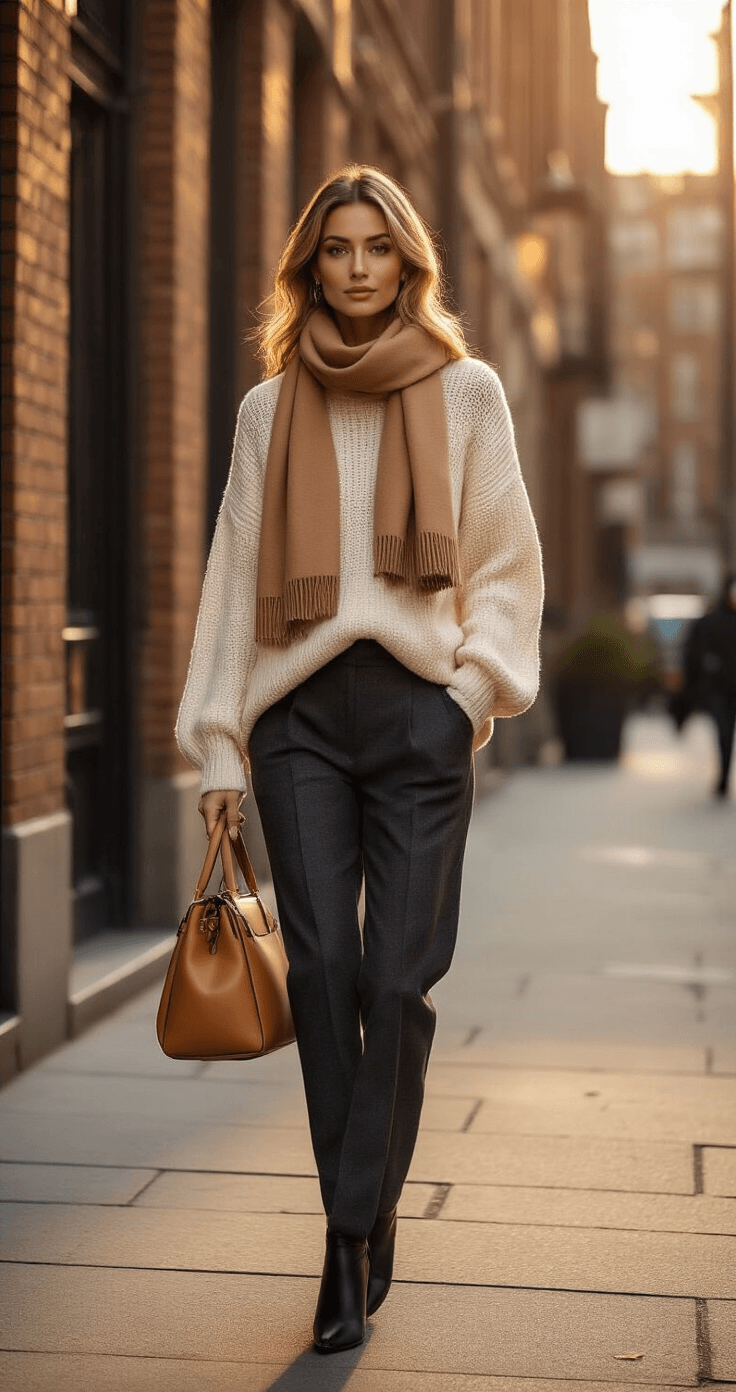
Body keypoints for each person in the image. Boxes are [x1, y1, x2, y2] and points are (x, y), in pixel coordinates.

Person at [176, 165, 544, 1353]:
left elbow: (502, 561)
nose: (356, 267)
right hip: (296, 722)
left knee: (397, 979)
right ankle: (349, 1241)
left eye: (376, 247)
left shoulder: (468, 392)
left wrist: (467, 697)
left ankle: (361, 1205)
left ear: (408, 263)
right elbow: (235, 581)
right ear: (310, 266)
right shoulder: (265, 409)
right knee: (325, 974)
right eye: (334, 248)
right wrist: (219, 748)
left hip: (417, 714)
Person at [678, 574, 736, 797]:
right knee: (724, 732)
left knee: (725, 732)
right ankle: (723, 776)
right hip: (719, 688)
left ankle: (723, 776)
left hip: (722, 686)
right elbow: (693, 655)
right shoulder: (710, 622)